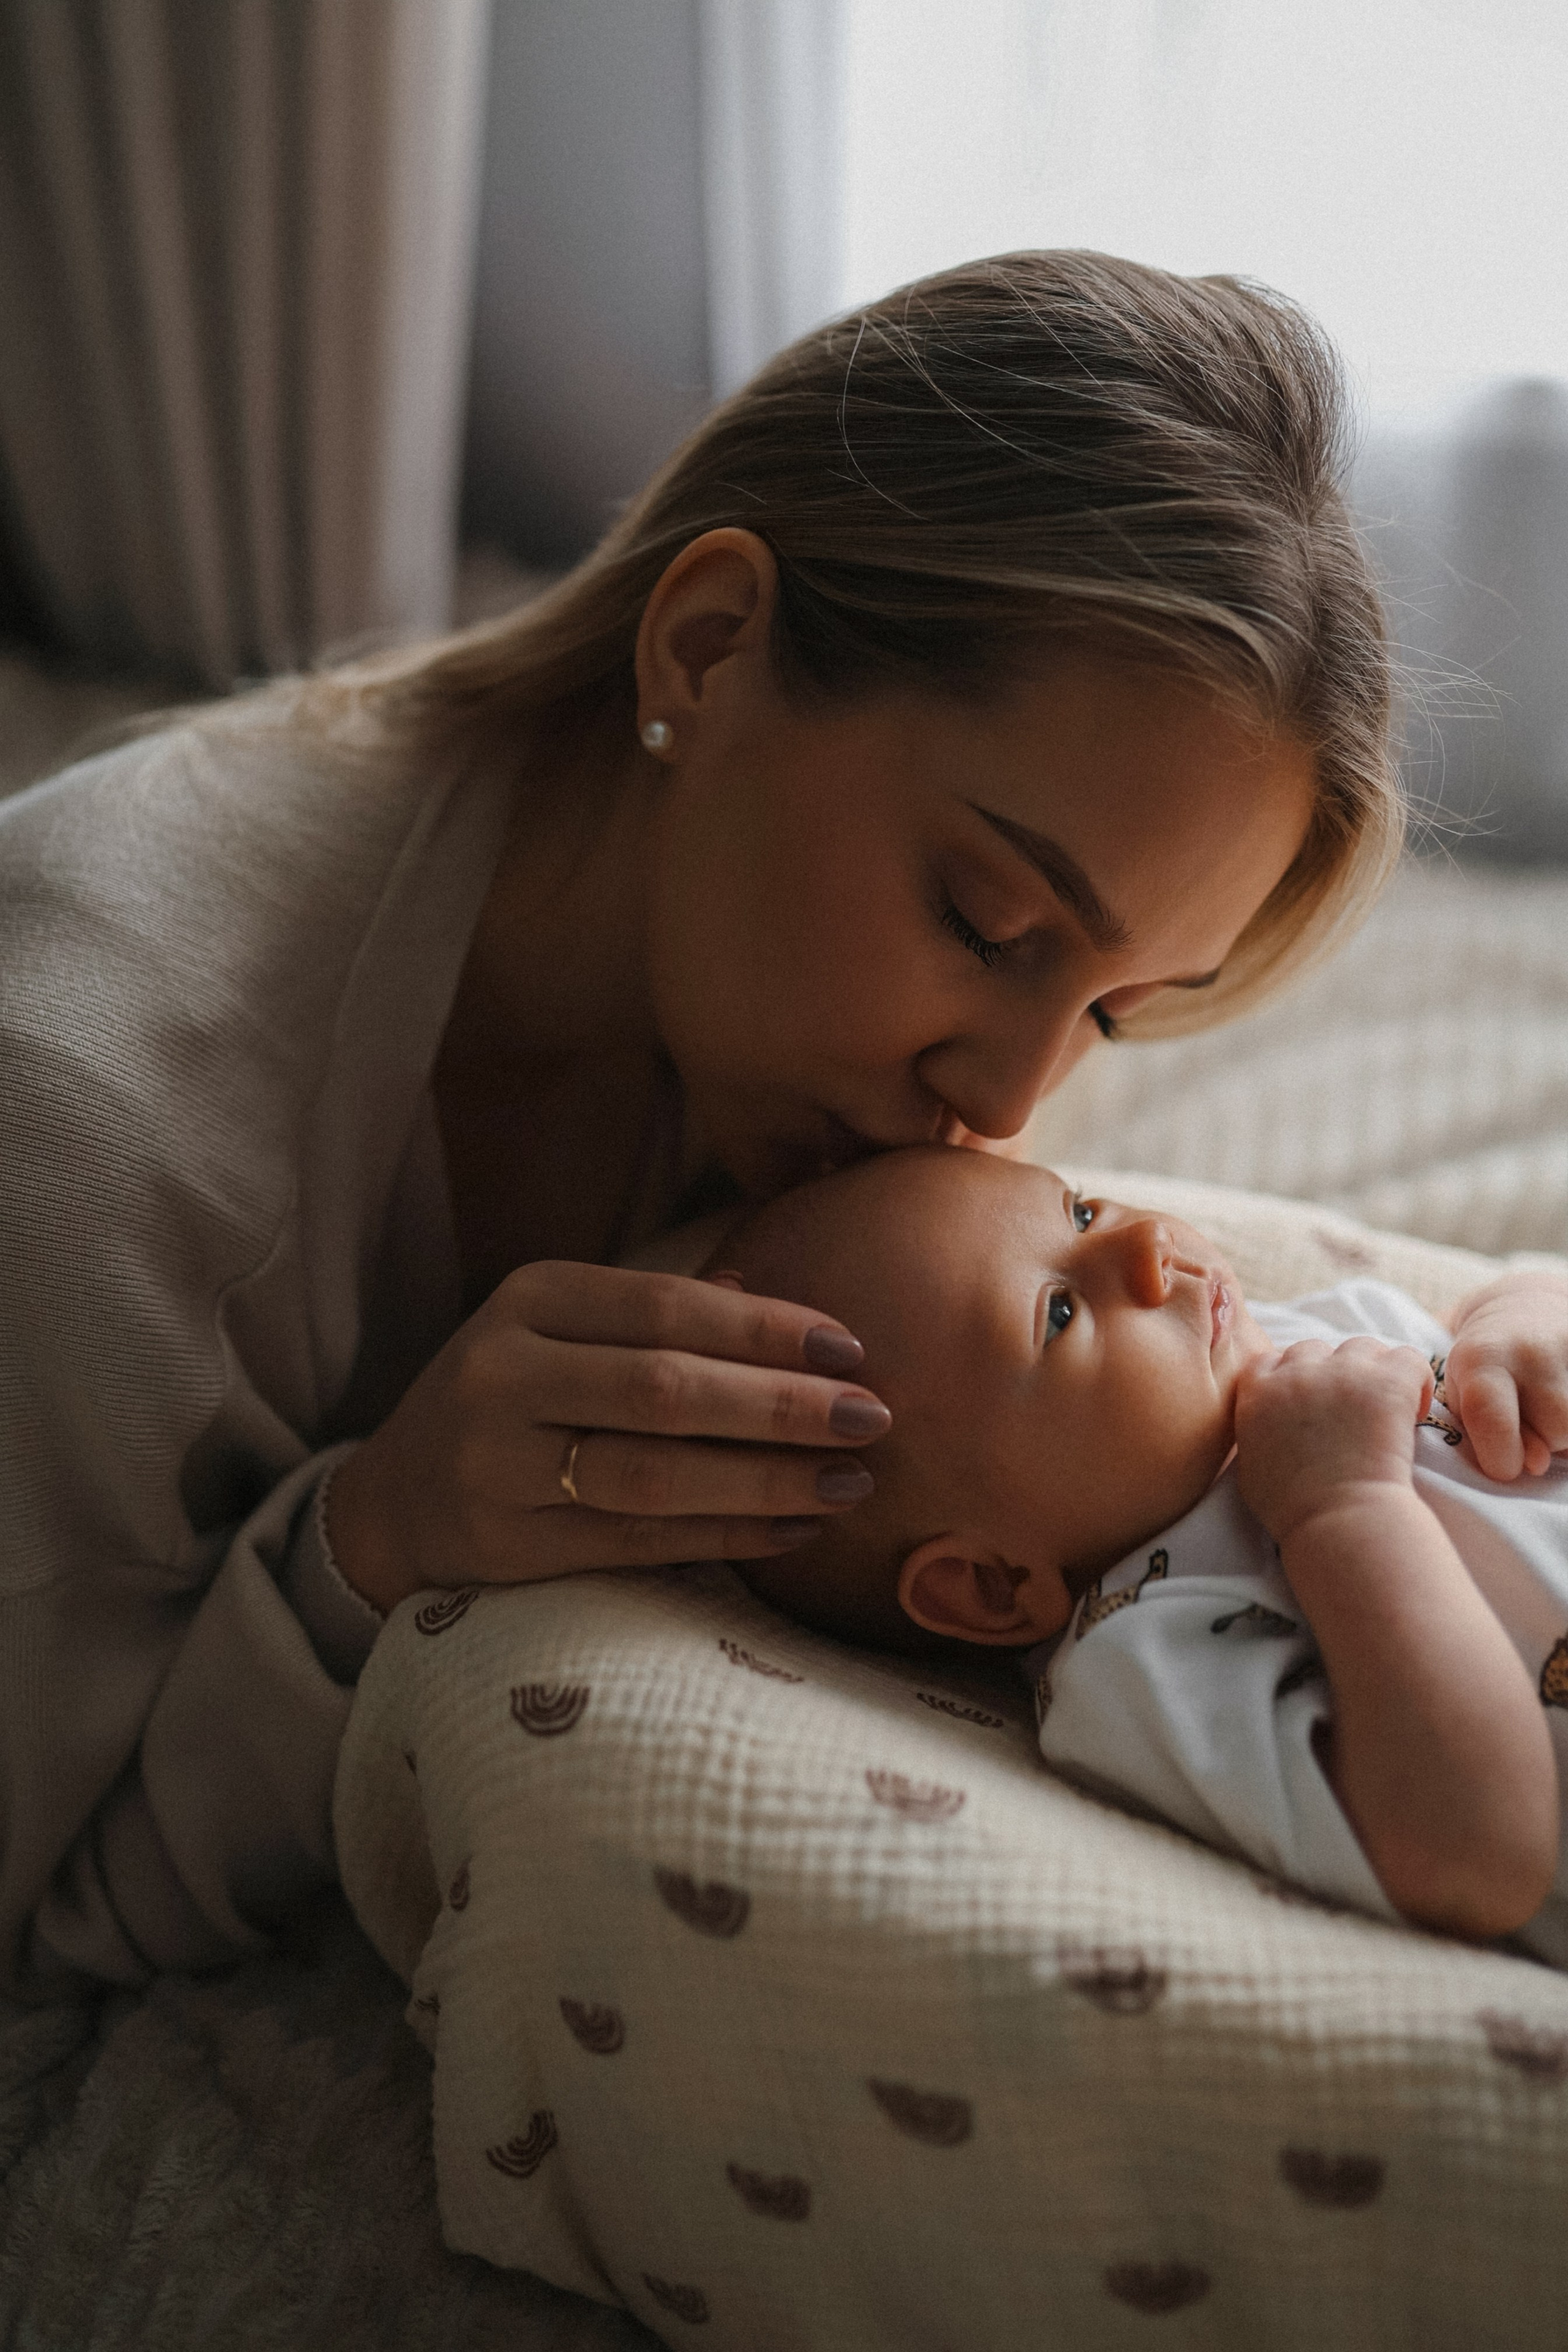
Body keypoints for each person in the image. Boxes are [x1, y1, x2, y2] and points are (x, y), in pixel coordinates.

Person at [1, 250, 1401, 1992]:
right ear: (711, 644)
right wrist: (369, 1548)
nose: (1011, 1107)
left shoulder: (786, 1063)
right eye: (984, 923)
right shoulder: (82, 1139)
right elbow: (42, 1915)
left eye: (1116, 1010)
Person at [714, 1147, 1568, 1955]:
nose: (1146, 1243)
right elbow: (1478, 1857)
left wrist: (1513, 1325)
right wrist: (1344, 1506)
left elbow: (1503, 1305)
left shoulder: (1298, 1336)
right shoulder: (1139, 1652)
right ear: (990, 1584)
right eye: (1058, 1313)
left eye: (1082, 1211)